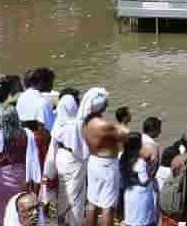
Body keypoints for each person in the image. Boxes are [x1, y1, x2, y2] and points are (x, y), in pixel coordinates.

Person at [83, 88, 127, 226]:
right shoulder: (104, 126)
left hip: (93, 161)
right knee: (108, 206)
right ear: (102, 107)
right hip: (107, 165)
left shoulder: (85, 122)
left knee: (92, 202)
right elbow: (124, 135)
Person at [47, 92, 88, 226]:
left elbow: (52, 149)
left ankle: (62, 220)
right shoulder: (78, 124)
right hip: (75, 162)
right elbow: (84, 149)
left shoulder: (58, 124)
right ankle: (74, 222)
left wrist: (48, 172)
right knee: (76, 196)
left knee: (63, 192)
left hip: (61, 160)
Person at [119, 133, 156, 226]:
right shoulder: (140, 162)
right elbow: (144, 181)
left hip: (129, 192)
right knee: (142, 221)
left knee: (131, 220)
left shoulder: (122, 158)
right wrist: (151, 169)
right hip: (141, 195)